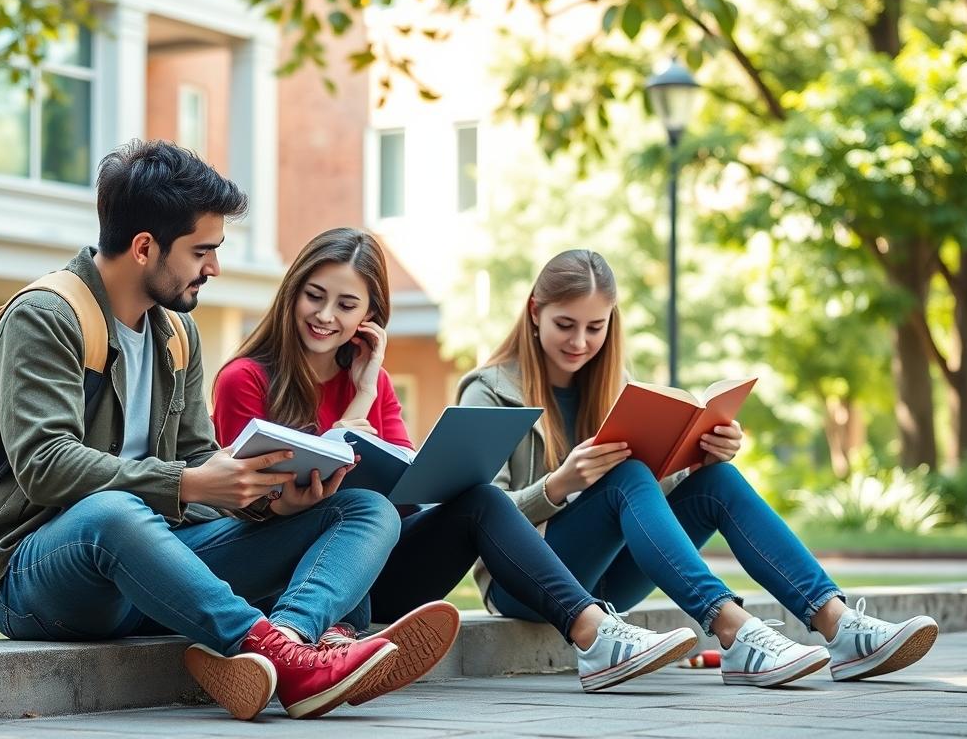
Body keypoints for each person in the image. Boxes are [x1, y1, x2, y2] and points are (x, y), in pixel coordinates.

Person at [0, 140, 442, 722]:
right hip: (39, 575)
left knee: (366, 509)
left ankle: (286, 643)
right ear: (145, 248)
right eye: (202, 251)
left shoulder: (176, 335)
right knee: (114, 513)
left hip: (154, 567)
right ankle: (284, 654)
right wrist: (191, 484)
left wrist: (269, 506)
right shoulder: (47, 317)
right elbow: (46, 466)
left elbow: (198, 459)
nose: (213, 267)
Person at [212, 227, 699, 697]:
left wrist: (370, 394)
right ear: (292, 293)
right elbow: (233, 506)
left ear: (370, 316)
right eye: (314, 296)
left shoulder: (375, 382)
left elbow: (404, 497)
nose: (325, 315)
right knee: (350, 507)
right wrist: (352, 418)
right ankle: (333, 636)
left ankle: (594, 635)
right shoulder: (245, 379)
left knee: (480, 497)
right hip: (289, 572)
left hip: (379, 565)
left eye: (346, 304)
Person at [458, 249, 940, 687]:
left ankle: (839, 625)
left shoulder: (613, 386)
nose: (581, 342)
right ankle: (734, 632)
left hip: (607, 576)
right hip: (524, 583)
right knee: (624, 477)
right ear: (534, 312)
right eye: (566, 324)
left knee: (717, 482)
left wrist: (698, 458)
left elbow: (649, 491)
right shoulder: (489, 392)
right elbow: (480, 520)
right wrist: (560, 484)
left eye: (595, 327)